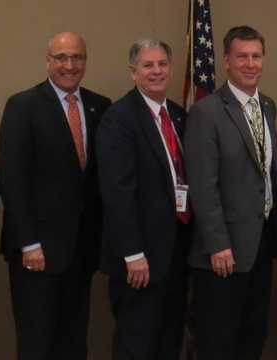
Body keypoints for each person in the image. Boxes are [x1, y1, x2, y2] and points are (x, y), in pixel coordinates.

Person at [0, 31, 111, 360]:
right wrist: (29, 244)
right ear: (48, 61)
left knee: (74, 342)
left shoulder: (99, 106)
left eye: (77, 57)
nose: (70, 65)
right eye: (61, 57)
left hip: (81, 251)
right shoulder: (23, 106)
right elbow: (13, 179)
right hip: (37, 253)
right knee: (37, 343)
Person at [184, 25, 277, 360]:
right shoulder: (206, 112)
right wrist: (218, 243)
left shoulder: (267, 106)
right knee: (218, 341)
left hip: (260, 245)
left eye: (256, 56)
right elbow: (202, 184)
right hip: (222, 253)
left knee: (252, 336)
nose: (250, 63)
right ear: (226, 61)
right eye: (242, 56)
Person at [97, 38, 190, 360]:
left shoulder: (177, 116)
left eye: (162, 64)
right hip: (140, 259)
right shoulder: (118, 118)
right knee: (136, 343)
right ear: (133, 72)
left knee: (169, 338)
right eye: (148, 65)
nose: (157, 71)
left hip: (176, 251)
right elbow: (117, 192)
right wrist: (133, 254)